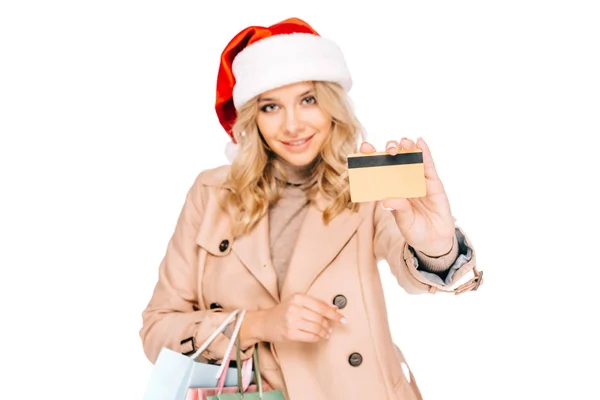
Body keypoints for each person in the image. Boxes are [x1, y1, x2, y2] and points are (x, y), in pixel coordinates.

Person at [140, 17, 483, 400]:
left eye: (308, 100)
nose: (292, 125)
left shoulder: (366, 178)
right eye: (271, 107)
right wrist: (258, 324)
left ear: (333, 105)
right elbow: (157, 331)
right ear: (252, 118)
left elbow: (413, 269)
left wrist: (436, 246)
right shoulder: (211, 193)